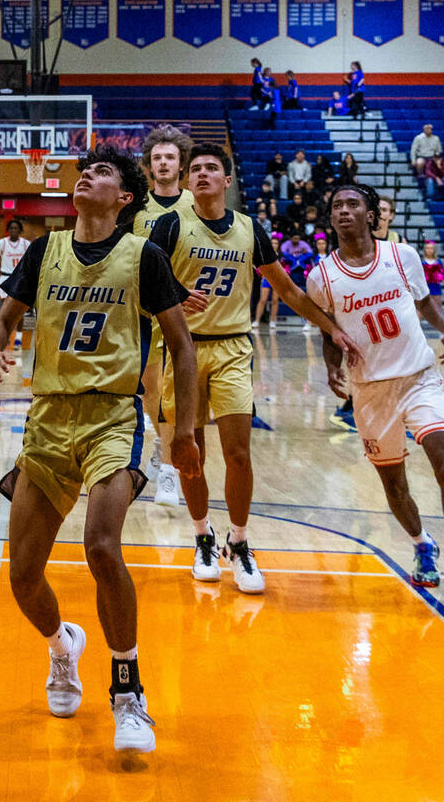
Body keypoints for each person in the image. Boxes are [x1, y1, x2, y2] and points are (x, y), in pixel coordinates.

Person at [0, 145, 199, 753]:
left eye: (101, 172)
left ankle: (128, 692)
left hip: (112, 418)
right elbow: (4, 319)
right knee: (22, 575)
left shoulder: (144, 257)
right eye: (85, 170)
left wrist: (181, 427)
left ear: (124, 197)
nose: (87, 176)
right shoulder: (44, 249)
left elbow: (181, 345)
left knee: (101, 546)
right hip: (47, 420)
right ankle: (62, 648)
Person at [149, 143, 360, 592]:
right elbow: (141, 281)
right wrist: (171, 294)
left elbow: (287, 289)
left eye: (213, 169)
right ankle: (202, 535)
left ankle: (239, 542)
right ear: (187, 182)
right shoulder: (170, 225)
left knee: (238, 454)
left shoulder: (250, 228)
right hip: (181, 350)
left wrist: (330, 328)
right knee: (191, 456)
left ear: (227, 181)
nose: (203, 174)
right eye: (196, 170)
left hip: (232, 348)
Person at [308, 181, 444, 608]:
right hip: (370, 391)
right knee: (393, 484)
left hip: (419, 376)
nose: (343, 211)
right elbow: (328, 328)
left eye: (352, 204)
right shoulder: (320, 276)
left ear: (370, 213)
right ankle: (421, 543)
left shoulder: (402, 255)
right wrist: (330, 364)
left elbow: (424, 301)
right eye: (336, 205)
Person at [132, 124, 193, 505]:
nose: (164, 163)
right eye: (158, 158)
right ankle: (161, 443)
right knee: (150, 392)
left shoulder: (195, 205)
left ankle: (169, 470)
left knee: (174, 395)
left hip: (186, 313)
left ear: (181, 164)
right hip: (141, 311)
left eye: (171, 157)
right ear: (149, 166)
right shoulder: (136, 208)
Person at [0, 218, 31, 306]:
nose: (13, 230)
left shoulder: (26, 243)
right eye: (11, 228)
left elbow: (30, 263)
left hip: (19, 278)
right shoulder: (1, 242)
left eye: (15, 228)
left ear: (20, 230)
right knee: (5, 304)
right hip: (5, 276)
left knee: (17, 305)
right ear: (8, 230)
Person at [252, 234, 284, 330]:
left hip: (277, 279)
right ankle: (257, 320)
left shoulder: (281, 256)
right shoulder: (265, 254)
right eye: (273, 243)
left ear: (278, 244)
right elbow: (257, 264)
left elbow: (285, 267)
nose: (274, 245)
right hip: (266, 279)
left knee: (275, 300)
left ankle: (273, 321)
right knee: (263, 300)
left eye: (276, 243)